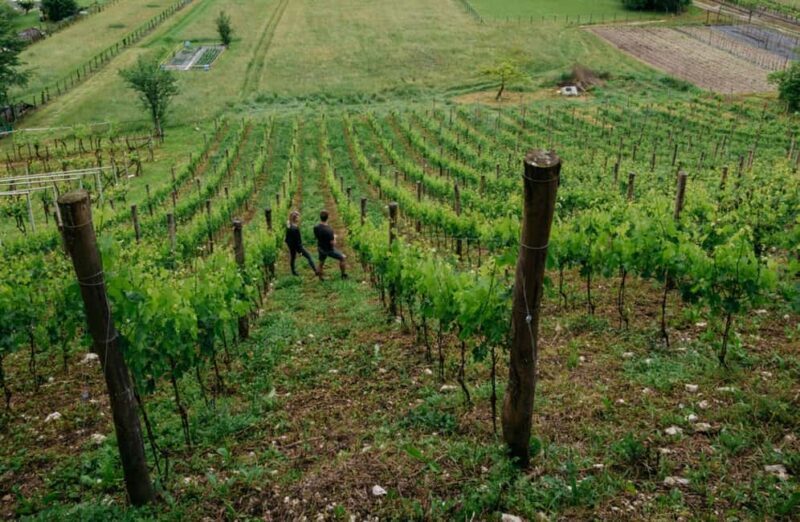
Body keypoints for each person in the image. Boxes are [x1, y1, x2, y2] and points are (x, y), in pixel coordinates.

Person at [313, 210, 348, 280]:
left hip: (320, 247)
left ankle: (320, 277)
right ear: (328, 217)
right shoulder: (329, 230)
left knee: (321, 262)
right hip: (328, 249)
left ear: (320, 217)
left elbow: (316, 237)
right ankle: (343, 275)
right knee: (343, 258)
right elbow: (332, 243)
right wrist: (334, 237)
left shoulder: (316, 227)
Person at [284, 211, 317, 277]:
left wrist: (289, 245)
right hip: (297, 246)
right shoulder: (296, 229)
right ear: (295, 219)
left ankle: (293, 272)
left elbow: (286, 239)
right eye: (298, 217)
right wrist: (300, 251)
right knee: (309, 256)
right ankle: (316, 271)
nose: (299, 218)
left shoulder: (289, 226)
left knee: (292, 258)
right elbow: (298, 241)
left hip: (291, 246)